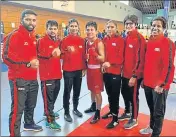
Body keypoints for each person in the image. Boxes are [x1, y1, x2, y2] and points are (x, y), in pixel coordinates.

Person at [2, 9, 42, 136]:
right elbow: (6, 57)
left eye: (34, 20)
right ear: (21, 20)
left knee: (31, 104)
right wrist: (27, 64)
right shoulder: (14, 35)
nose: (31, 22)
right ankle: (14, 133)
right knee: (17, 110)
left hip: (33, 78)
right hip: (18, 78)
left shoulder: (34, 37)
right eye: (28, 19)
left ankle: (29, 123)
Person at [139, 16, 175, 137]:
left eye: (158, 26)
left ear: (164, 28)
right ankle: (151, 126)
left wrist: (162, 84)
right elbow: (147, 63)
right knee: (151, 108)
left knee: (158, 112)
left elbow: (169, 66)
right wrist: (144, 80)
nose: (155, 28)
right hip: (148, 83)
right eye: (153, 25)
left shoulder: (168, 43)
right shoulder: (149, 42)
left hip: (159, 85)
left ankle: (156, 134)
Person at [119, 14, 146, 129]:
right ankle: (127, 112)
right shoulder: (126, 38)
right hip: (125, 73)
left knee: (133, 97)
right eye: (127, 24)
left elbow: (140, 59)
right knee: (124, 93)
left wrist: (134, 76)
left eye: (131, 23)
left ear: (135, 25)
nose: (128, 25)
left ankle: (134, 119)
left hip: (134, 75)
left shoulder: (140, 39)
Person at [37, 20, 62, 130]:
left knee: (54, 96)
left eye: (54, 28)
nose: (53, 31)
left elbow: (60, 54)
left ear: (57, 30)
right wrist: (50, 53)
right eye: (50, 28)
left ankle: (48, 111)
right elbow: (38, 54)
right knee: (48, 98)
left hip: (57, 74)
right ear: (46, 29)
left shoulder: (57, 41)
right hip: (47, 76)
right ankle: (49, 120)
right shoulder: (41, 41)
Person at [61, 19, 86, 122]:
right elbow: (60, 55)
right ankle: (66, 112)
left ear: (78, 28)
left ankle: (75, 108)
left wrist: (84, 68)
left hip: (78, 70)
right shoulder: (64, 40)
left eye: (75, 26)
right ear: (68, 28)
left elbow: (84, 55)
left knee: (77, 90)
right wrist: (67, 52)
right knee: (67, 91)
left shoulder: (82, 40)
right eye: (72, 26)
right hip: (68, 70)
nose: (74, 28)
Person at [101, 20, 125, 129]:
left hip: (115, 72)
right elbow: (103, 55)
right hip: (106, 72)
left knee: (115, 96)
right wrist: (103, 64)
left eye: (112, 27)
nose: (110, 29)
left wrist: (110, 63)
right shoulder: (104, 39)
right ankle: (111, 111)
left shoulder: (120, 40)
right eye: (108, 27)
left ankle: (115, 119)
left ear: (116, 28)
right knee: (109, 94)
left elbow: (121, 58)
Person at [85, 21, 105, 124]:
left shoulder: (99, 42)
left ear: (96, 31)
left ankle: (98, 112)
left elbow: (102, 58)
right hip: (89, 70)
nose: (89, 32)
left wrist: (95, 54)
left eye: (92, 30)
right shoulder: (87, 42)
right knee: (91, 90)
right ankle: (93, 106)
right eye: (88, 30)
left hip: (97, 71)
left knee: (97, 92)